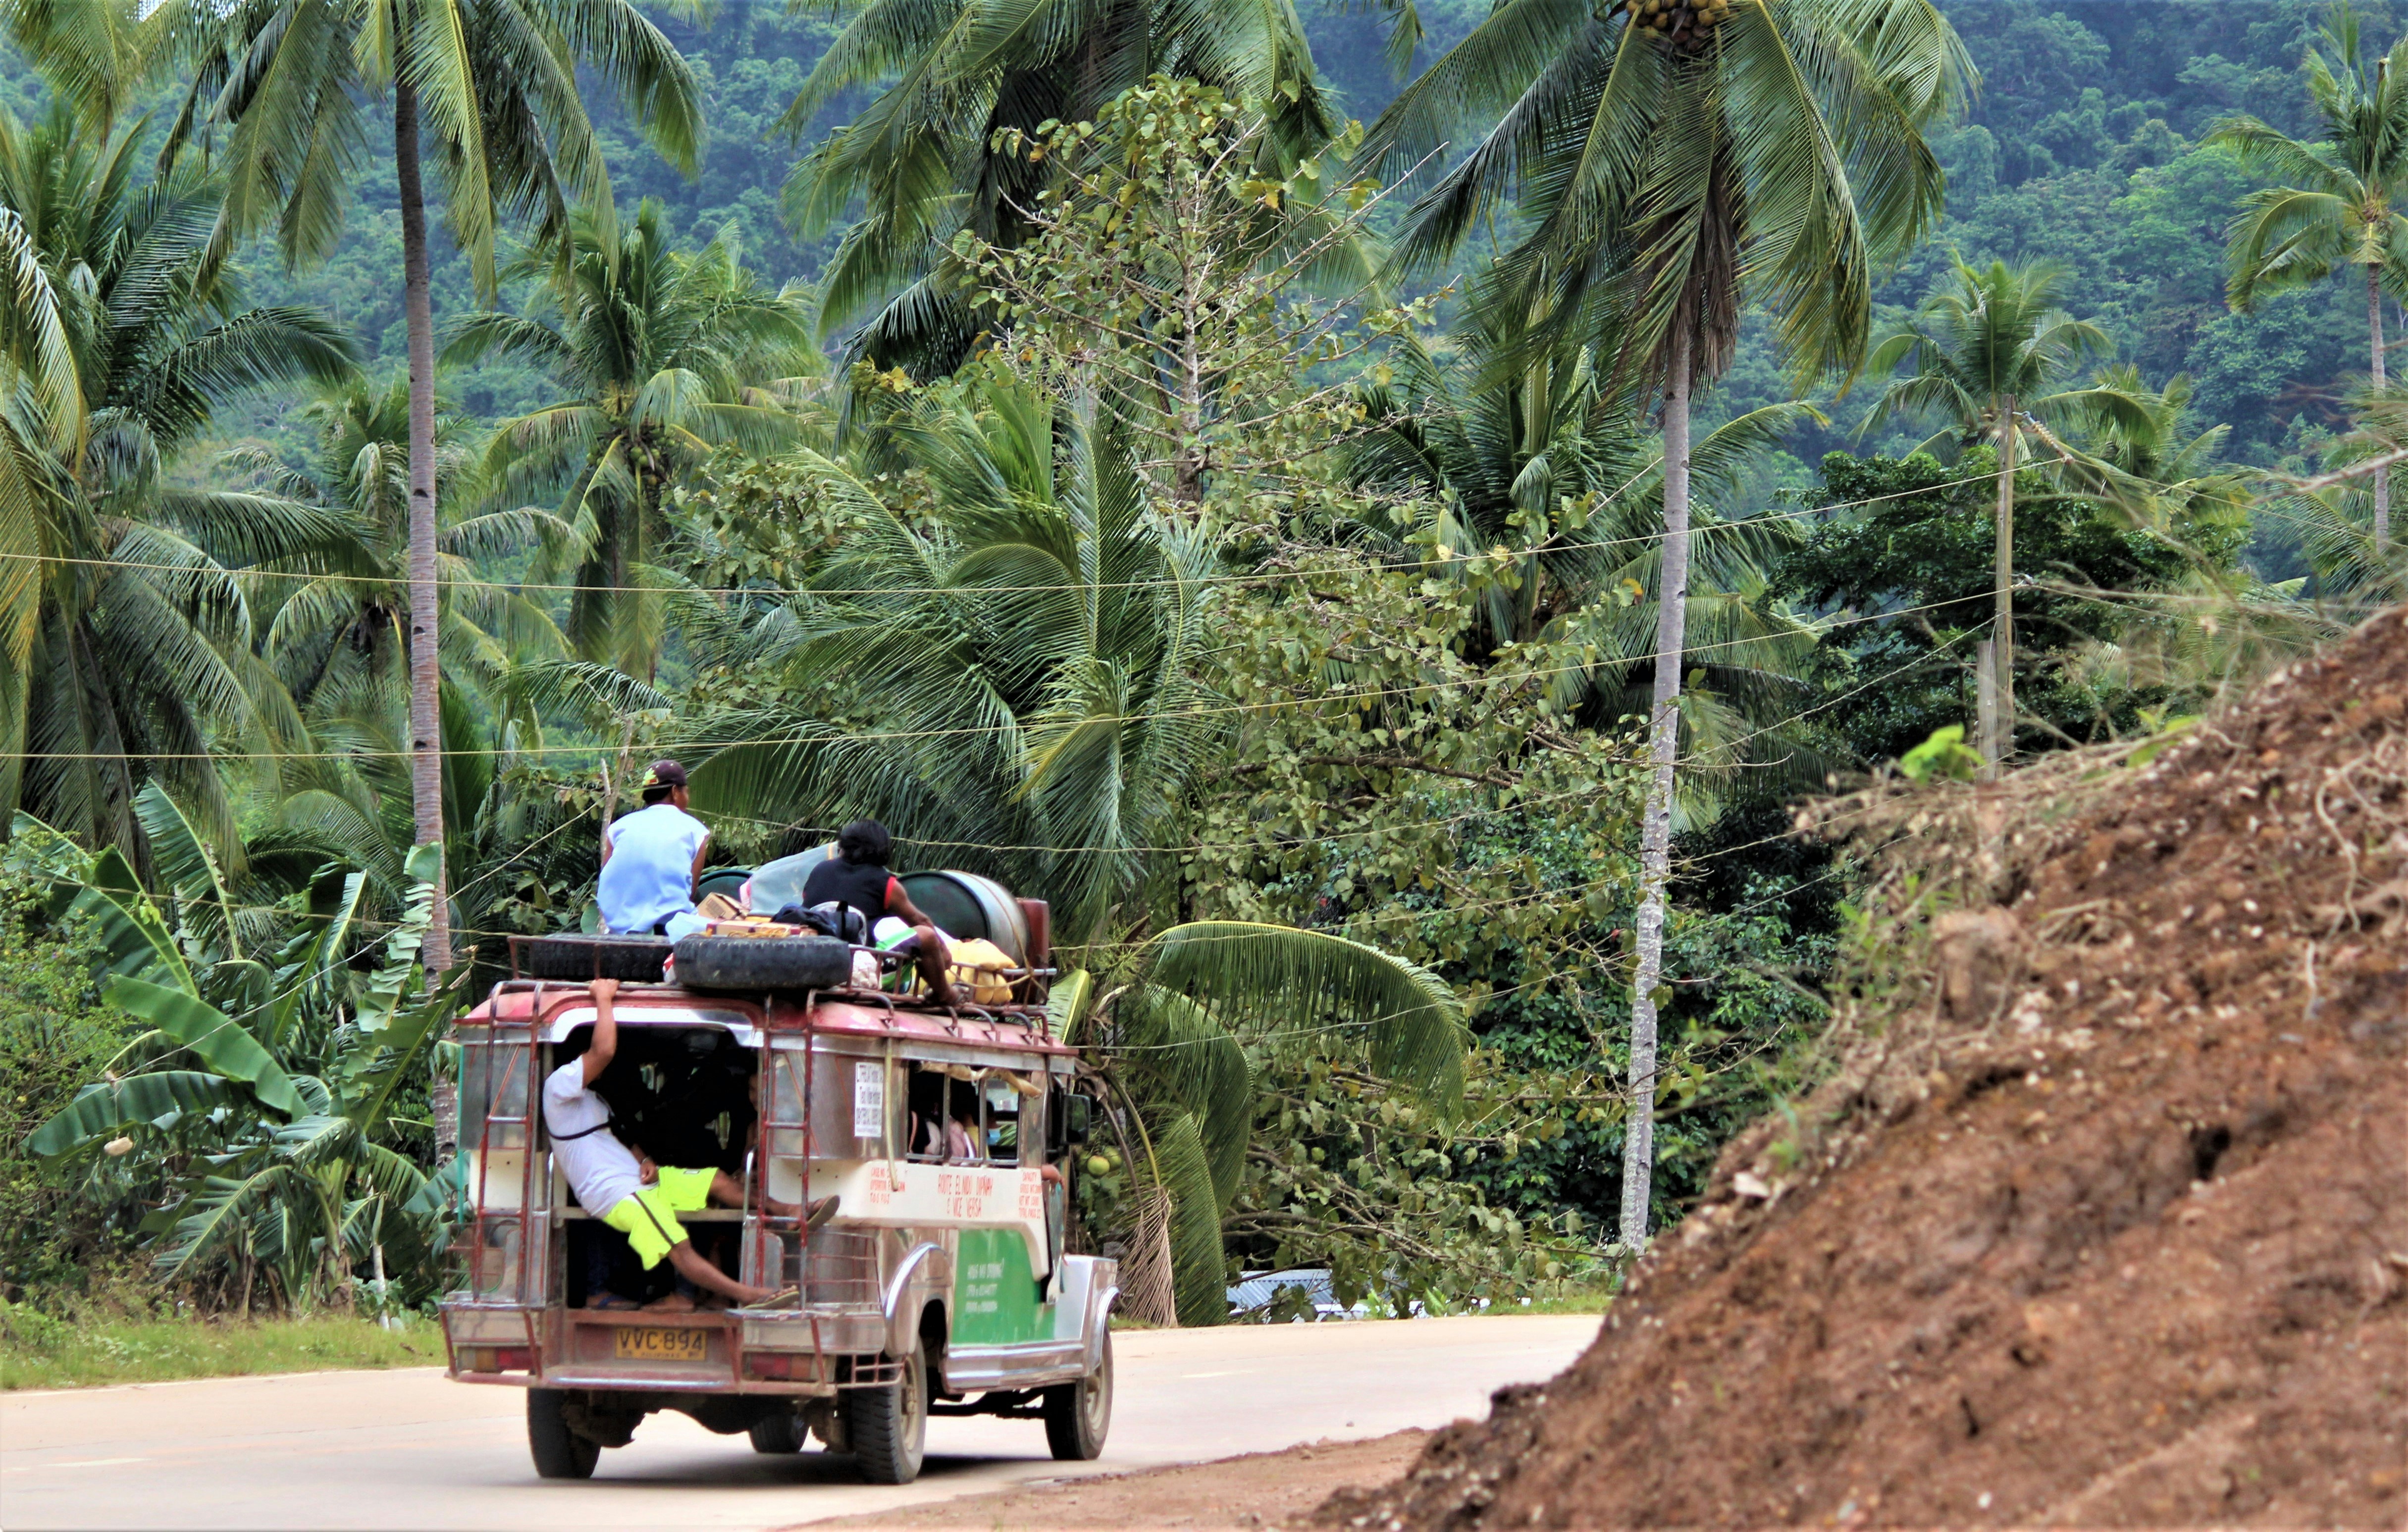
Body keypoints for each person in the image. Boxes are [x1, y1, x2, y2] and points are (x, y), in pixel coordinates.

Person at [543, 979, 834, 1310]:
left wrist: (644, 1160)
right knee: (679, 1246)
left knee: (718, 1181)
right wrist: (603, 997)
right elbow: (604, 1050)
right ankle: (751, 1296)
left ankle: (790, 1212)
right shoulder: (559, 1087)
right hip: (616, 1195)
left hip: (639, 1180)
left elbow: (621, 1135)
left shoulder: (593, 1099)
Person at [800, 819, 961, 1005]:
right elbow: (920, 921)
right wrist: (943, 953)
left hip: (812, 959)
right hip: (857, 967)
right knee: (926, 936)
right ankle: (946, 995)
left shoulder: (819, 870)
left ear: (844, 845)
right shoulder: (886, 883)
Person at [597, 761, 711, 940]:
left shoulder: (618, 827)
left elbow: (608, 876)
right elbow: (689, 892)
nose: (687, 798)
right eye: (686, 792)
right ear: (675, 792)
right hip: (667, 929)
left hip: (619, 929)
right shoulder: (695, 831)